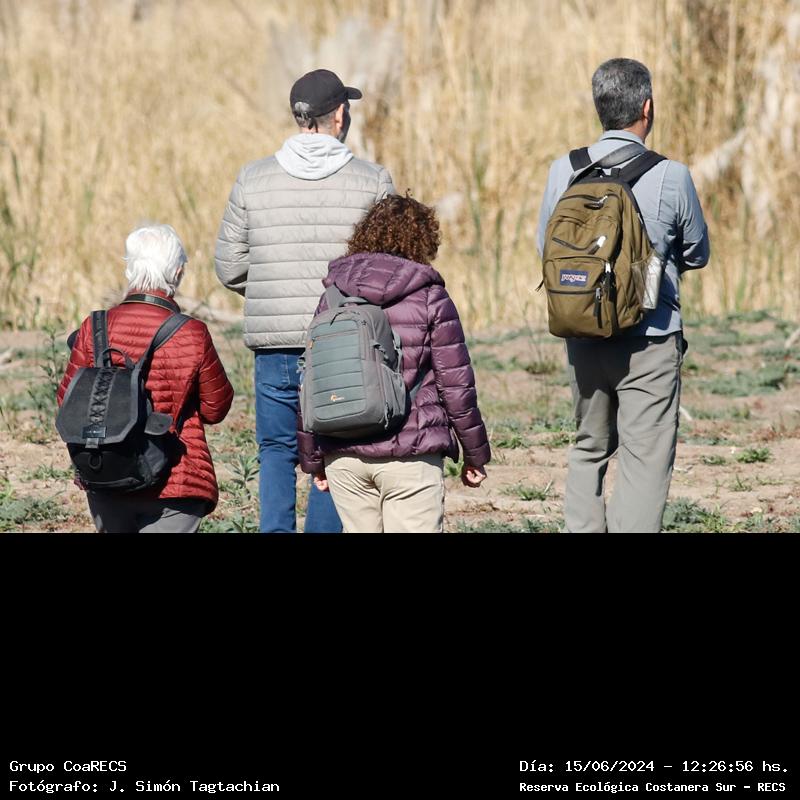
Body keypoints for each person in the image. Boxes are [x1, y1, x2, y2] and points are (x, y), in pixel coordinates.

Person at [215, 68, 395, 533]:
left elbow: (229, 265)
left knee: (276, 450)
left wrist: (270, 287)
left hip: (274, 344)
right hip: (344, 344)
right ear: (340, 115)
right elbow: (389, 267)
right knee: (335, 449)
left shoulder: (252, 179)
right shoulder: (372, 181)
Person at [536, 58, 710, 533]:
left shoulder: (564, 170)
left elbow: (545, 249)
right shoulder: (672, 175)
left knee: (588, 445)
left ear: (599, 107)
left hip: (582, 331)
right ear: (647, 108)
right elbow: (697, 253)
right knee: (644, 457)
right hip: (650, 336)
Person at [298, 194, 491, 533]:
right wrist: (475, 454)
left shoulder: (332, 296)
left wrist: (313, 458)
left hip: (344, 453)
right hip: (410, 452)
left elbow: (313, 380)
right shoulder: (430, 296)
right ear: (423, 241)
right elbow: (456, 384)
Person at [57, 223, 234, 533]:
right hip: (176, 480)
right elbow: (215, 408)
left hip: (107, 472)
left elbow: (67, 401)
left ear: (130, 270)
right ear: (178, 272)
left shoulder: (94, 326)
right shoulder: (192, 333)